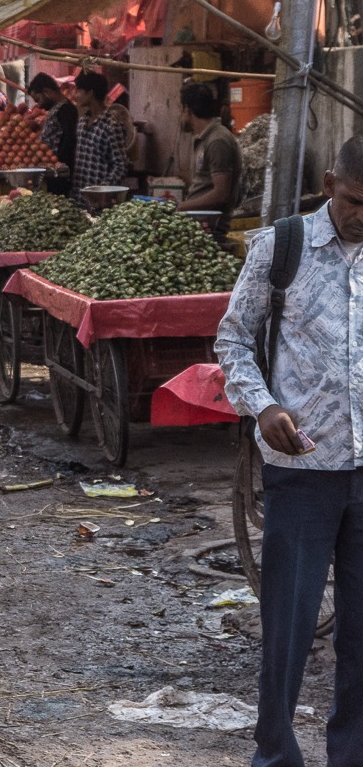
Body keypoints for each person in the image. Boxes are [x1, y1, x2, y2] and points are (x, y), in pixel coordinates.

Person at [215, 135, 363, 767]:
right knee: (289, 629)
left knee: (361, 634)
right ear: (331, 182)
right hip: (303, 468)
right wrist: (264, 405)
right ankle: (275, 754)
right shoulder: (283, 246)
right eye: (358, 200)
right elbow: (233, 339)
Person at [178, 82, 243, 237]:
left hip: (211, 227)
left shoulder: (217, 141)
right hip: (198, 222)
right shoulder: (206, 138)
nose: (180, 116)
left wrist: (181, 206)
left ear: (188, 110)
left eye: (181, 110)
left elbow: (221, 193)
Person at [71, 70, 127, 192]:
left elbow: (120, 166)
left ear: (90, 93)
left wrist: (101, 190)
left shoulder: (111, 124)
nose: (76, 95)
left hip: (100, 200)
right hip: (78, 196)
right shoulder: (82, 122)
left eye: (79, 91)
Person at [29, 72, 79, 195]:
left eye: (38, 99)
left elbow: (70, 139)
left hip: (60, 173)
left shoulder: (66, 109)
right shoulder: (57, 108)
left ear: (47, 91)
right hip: (52, 171)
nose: (39, 105)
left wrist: (59, 164)